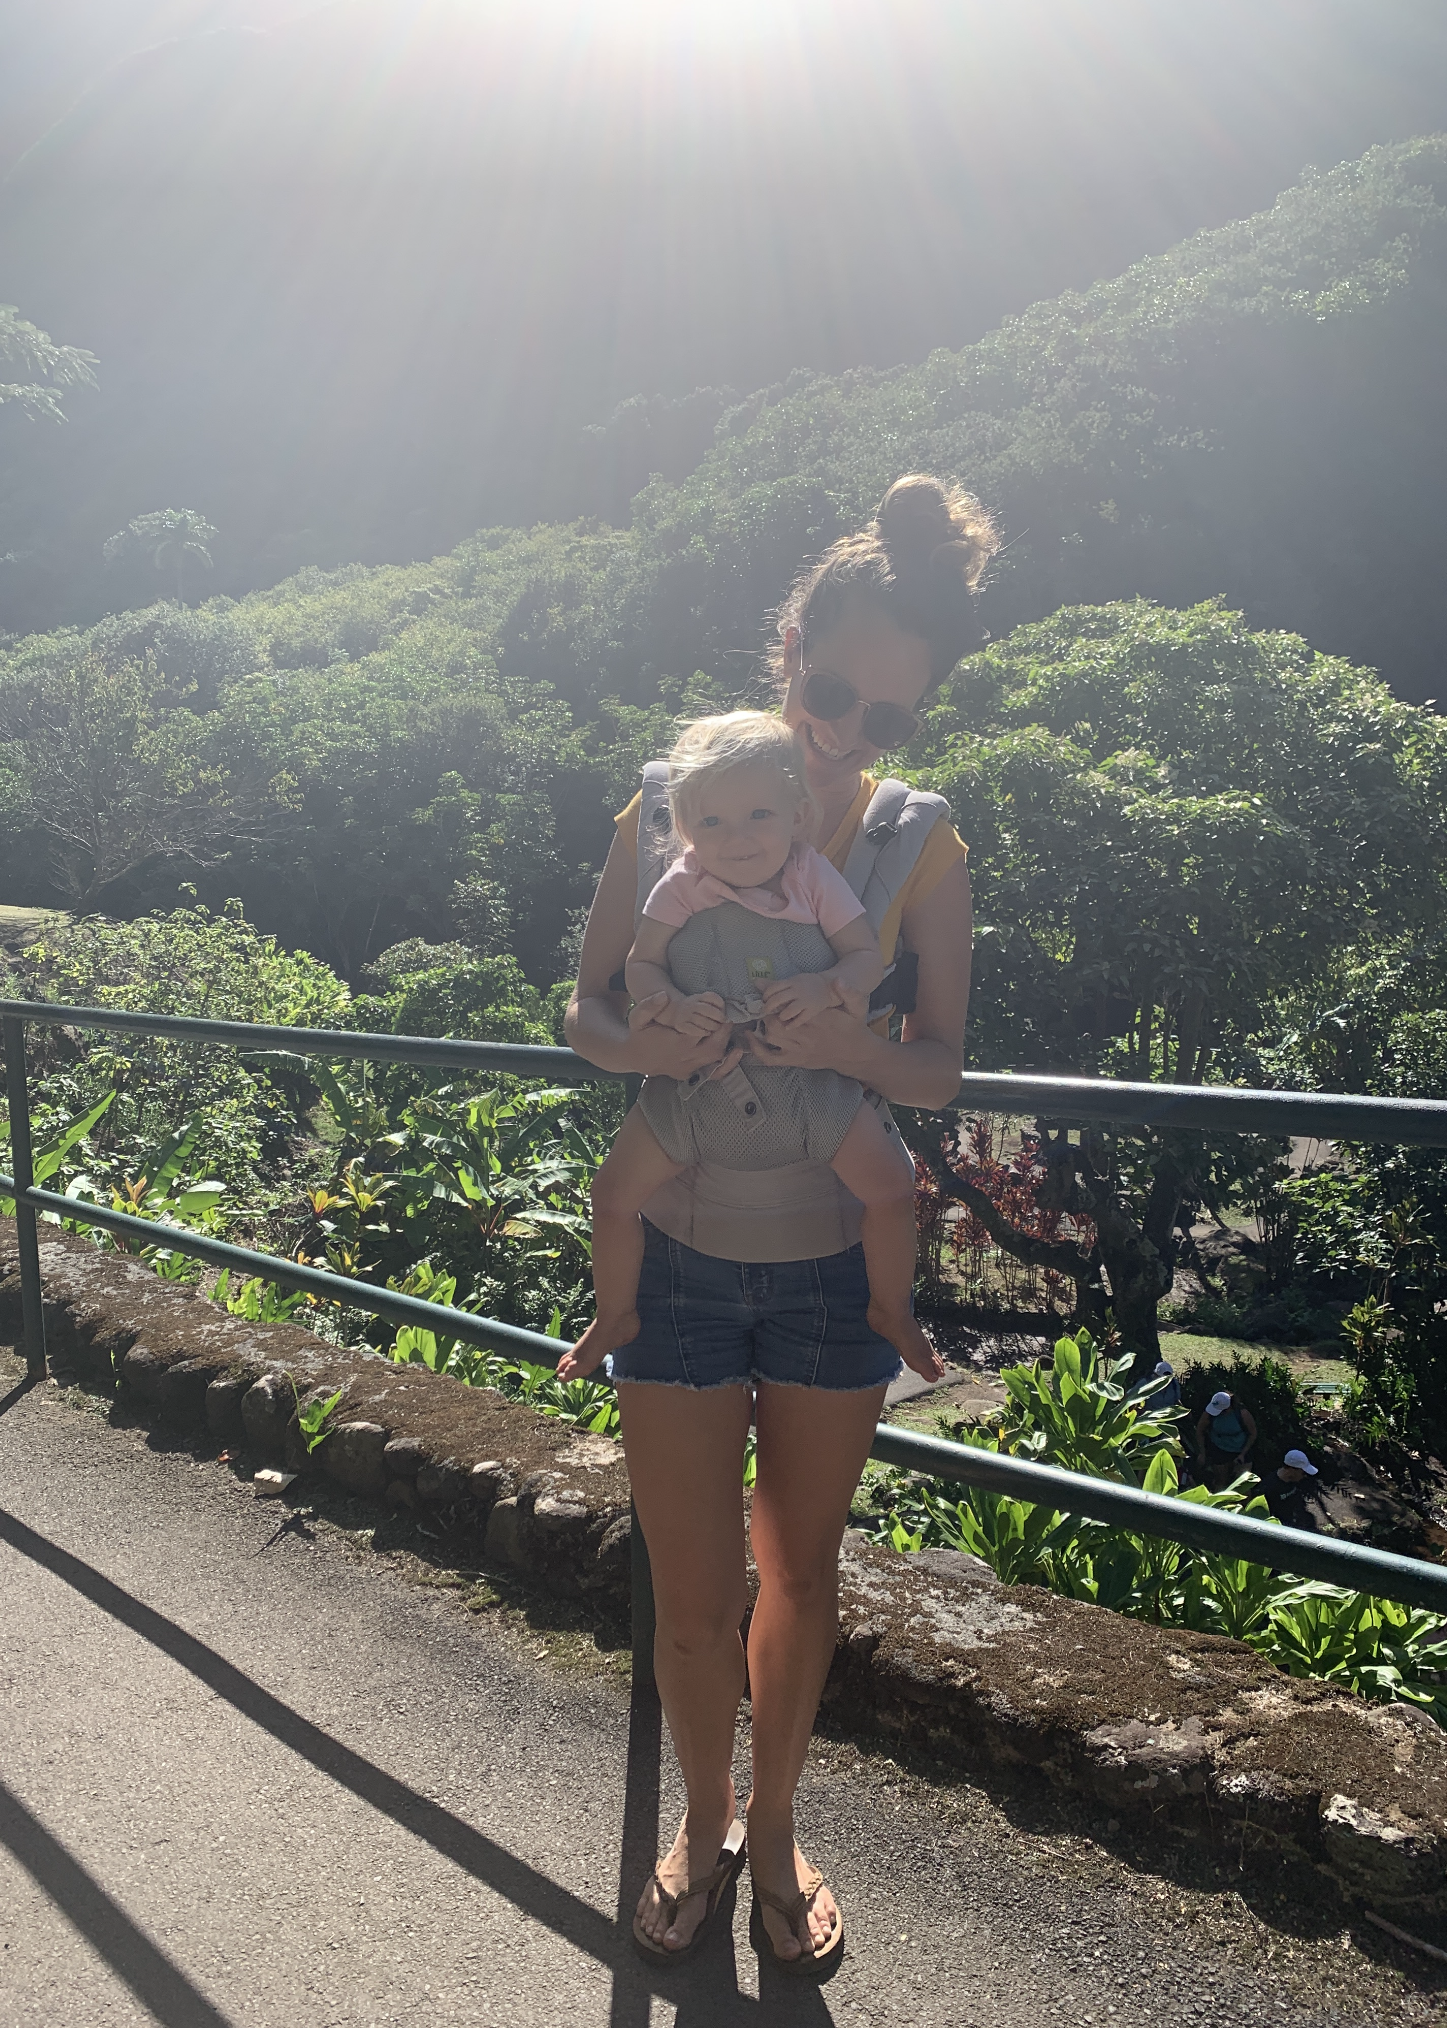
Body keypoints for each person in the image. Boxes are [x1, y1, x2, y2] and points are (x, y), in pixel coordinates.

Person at [564, 473, 997, 1972]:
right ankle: (700, 1821)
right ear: (791, 646)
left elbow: (939, 1061)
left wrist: (855, 1048)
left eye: (886, 716)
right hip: (680, 1258)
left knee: (803, 1579)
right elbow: (589, 1008)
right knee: (693, 1592)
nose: (843, 733)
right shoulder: (677, 805)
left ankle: (784, 1823)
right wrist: (654, 1042)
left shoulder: (922, 844)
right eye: (830, 688)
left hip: (827, 1276)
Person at [558, 710, 935, 1385]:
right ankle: (613, 1313)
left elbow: (862, 959)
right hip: (696, 1089)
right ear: (684, 830)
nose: (736, 840)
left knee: (892, 1189)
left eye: (759, 815)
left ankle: (891, 1307)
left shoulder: (812, 877)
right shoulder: (680, 885)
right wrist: (665, 1005)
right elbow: (639, 967)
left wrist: (825, 989)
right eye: (712, 824)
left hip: (813, 1088)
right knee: (612, 1194)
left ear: (797, 816)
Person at [1194, 1389, 1257, 1486]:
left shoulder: (1242, 1414)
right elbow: (1200, 1431)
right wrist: (1202, 1453)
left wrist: (1242, 1454)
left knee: (1242, 1484)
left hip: (1241, 1449)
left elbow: (1252, 1433)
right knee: (1220, 1481)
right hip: (1219, 1448)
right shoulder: (1209, 1413)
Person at [1257, 1447, 1322, 1529]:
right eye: (1303, 1472)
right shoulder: (1269, 1487)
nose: (1305, 1476)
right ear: (1291, 1470)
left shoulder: (1295, 1481)